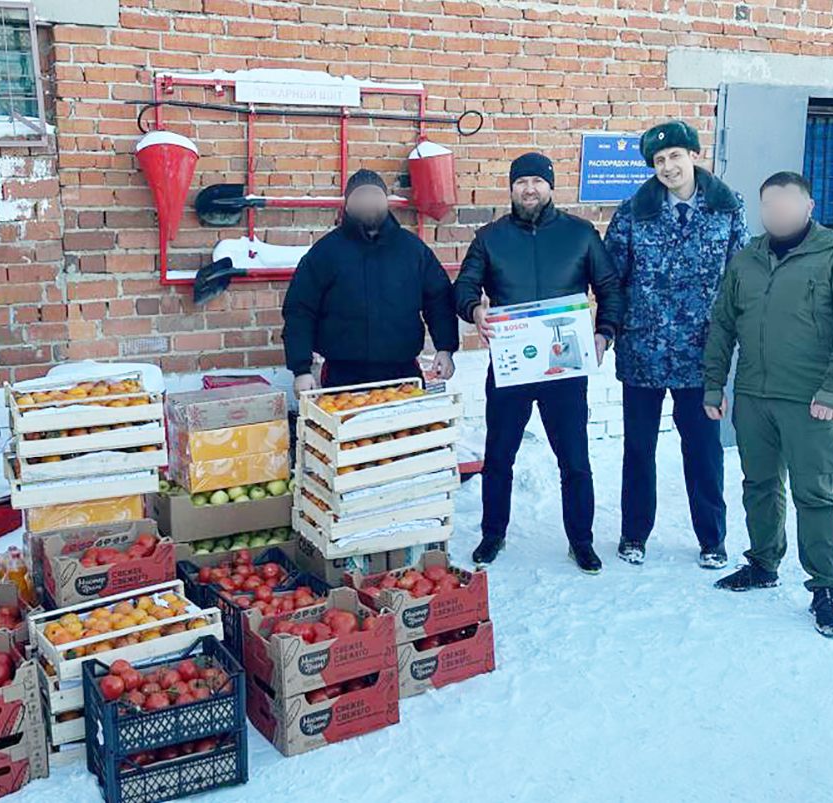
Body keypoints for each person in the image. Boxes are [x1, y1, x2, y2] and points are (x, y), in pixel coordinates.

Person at [703, 171, 833, 637]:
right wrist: (714, 384)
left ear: (807, 206)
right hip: (755, 397)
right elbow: (722, 325)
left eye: (786, 205)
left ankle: (825, 587)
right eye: (769, 206)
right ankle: (763, 562)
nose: (777, 214)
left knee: (815, 494)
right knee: (758, 484)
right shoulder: (746, 260)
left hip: (810, 401)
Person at [454, 152, 624, 572]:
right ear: (511, 188)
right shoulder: (490, 238)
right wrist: (474, 309)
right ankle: (493, 534)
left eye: (537, 181)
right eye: (521, 182)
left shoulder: (581, 235)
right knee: (499, 456)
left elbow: (610, 287)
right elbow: (464, 287)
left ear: (551, 186)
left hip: (563, 368)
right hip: (511, 366)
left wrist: (605, 332)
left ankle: (580, 540)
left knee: (575, 459)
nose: (529, 189)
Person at [603, 120, 749, 569]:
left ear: (693, 156)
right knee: (639, 449)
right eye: (659, 161)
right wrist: (609, 330)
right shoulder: (631, 212)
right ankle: (634, 534)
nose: (668, 167)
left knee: (703, 450)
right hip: (642, 353)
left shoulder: (728, 208)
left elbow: (738, 278)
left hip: (702, 357)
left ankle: (712, 538)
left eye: (675, 156)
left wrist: (734, 341)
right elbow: (612, 279)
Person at [282, 169, 458, 392]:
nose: (368, 201)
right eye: (361, 195)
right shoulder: (325, 252)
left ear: (386, 201)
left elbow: (439, 300)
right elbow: (299, 310)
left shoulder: (412, 250)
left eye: (374, 195)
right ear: (347, 205)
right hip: (341, 377)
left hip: (403, 375)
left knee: (408, 428)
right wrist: (301, 369)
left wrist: (445, 348)